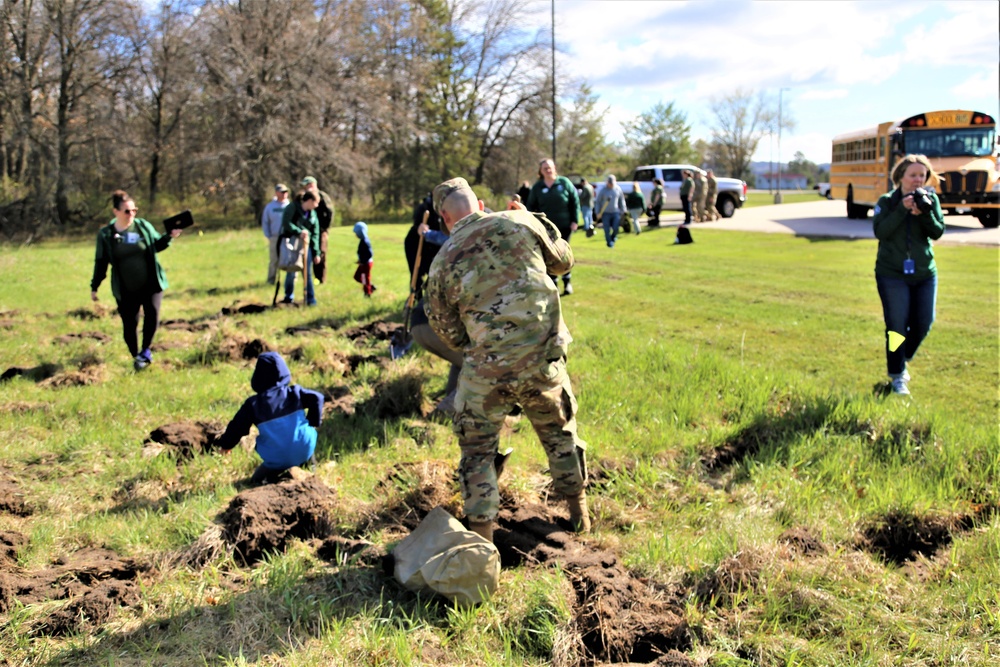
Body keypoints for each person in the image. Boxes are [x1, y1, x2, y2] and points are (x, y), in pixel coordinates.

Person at [425, 177, 590, 542]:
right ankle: (580, 516)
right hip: (541, 360)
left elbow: (448, 332)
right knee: (560, 436)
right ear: (480, 204)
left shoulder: (441, 262)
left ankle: (481, 540)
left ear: (445, 219)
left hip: (486, 370)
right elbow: (564, 262)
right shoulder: (522, 222)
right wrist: (535, 218)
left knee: (477, 451)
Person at [872, 154, 945, 396]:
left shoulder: (929, 200)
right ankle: (896, 375)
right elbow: (880, 231)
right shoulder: (887, 201)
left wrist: (923, 213)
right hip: (892, 274)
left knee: (924, 322)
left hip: (924, 273)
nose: (917, 180)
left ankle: (901, 357)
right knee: (896, 327)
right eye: (912, 175)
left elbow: (937, 232)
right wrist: (902, 210)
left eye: (921, 176)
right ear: (901, 176)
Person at [90, 190, 183, 371]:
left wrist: (169, 237)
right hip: (126, 288)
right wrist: (95, 286)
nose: (131, 214)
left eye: (134, 210)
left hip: (150, 283)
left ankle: (146, 350)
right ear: (115, 212)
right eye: (127, 211)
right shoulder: (106, 235)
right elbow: (101, 262)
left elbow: (156, 245)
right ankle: (135, 355)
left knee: (153, 314)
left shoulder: (142, 226)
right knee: (130, 324)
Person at [214, 352, 324, 484]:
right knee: (303, 441)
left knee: (256, 480)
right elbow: (318, 397)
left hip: (277, 458)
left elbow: (237, 427)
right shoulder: (294, 393)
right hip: (306, 447)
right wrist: (313, 421)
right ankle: (309, 467)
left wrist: (226, 445)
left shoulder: (254, 404)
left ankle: (266, 480)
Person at [525, 158, 581, 296]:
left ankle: (567, 283)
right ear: (541, 171)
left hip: (565, 225)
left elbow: (574, 202)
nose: (548, 170)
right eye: (545, 168)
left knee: (563, 255)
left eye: (550, 167)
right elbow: (531, 206)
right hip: (546, 228)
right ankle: (553, 284)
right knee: (549, 255)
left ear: (554, 168)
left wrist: (575, 220)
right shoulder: (537, 187)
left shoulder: (564, 182)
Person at [281, 190, 321, 306]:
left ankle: (310, 299)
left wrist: (316, 253)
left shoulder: (313, 214)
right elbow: (286, 223)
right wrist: (299, 232)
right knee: (292, 270)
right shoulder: (292, 207)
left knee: (307, 272)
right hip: (293, 244)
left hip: (306, 245)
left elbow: (315, 233)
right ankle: (288, 297)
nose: (317, 206)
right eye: (316, 203)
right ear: (309, 201)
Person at [300, 176, 335, 284]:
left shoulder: (322, 196)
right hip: (306, 230)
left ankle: (320, 278)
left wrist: (324, 227)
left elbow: (330, 212)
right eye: (306, 185)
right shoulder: (303, 197)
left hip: (320, 230)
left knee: (320, 253)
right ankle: (307, 278)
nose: (308, 187)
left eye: (310, 185)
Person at [261, 184, 290, 284]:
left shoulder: (290, 206)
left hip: (288, 237)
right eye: (282, 192)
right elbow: (265, 222)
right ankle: (271, 280)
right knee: (274, 260)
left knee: (288, 259)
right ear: (276, 193)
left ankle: (288, 281)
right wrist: (268, 235)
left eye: (286, 192)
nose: (284, 194)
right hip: (275, 236)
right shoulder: (270, 207)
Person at [594, 175, 626, 248]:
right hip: (605, 213)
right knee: (606, 229)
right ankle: (609, 242)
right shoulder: (603, 190)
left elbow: (621, 200)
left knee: (616, 228)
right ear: (607, 183)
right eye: (610, 183)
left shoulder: (618, 189)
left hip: (615, 212)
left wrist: (623, 209)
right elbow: (598, 202)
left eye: (612, 184)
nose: (611, 185)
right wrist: (597, 212)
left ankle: (613, 237)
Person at [352, 221, 375, 297]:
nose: (356, 235)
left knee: (365, 279)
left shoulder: (365, 241)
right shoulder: (362, 240)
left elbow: (370, 253)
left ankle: (367, 293)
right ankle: (370, 286)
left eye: (357, 233)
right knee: (357, 277)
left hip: (366, 264)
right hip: (363, 264)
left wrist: (363, 261)